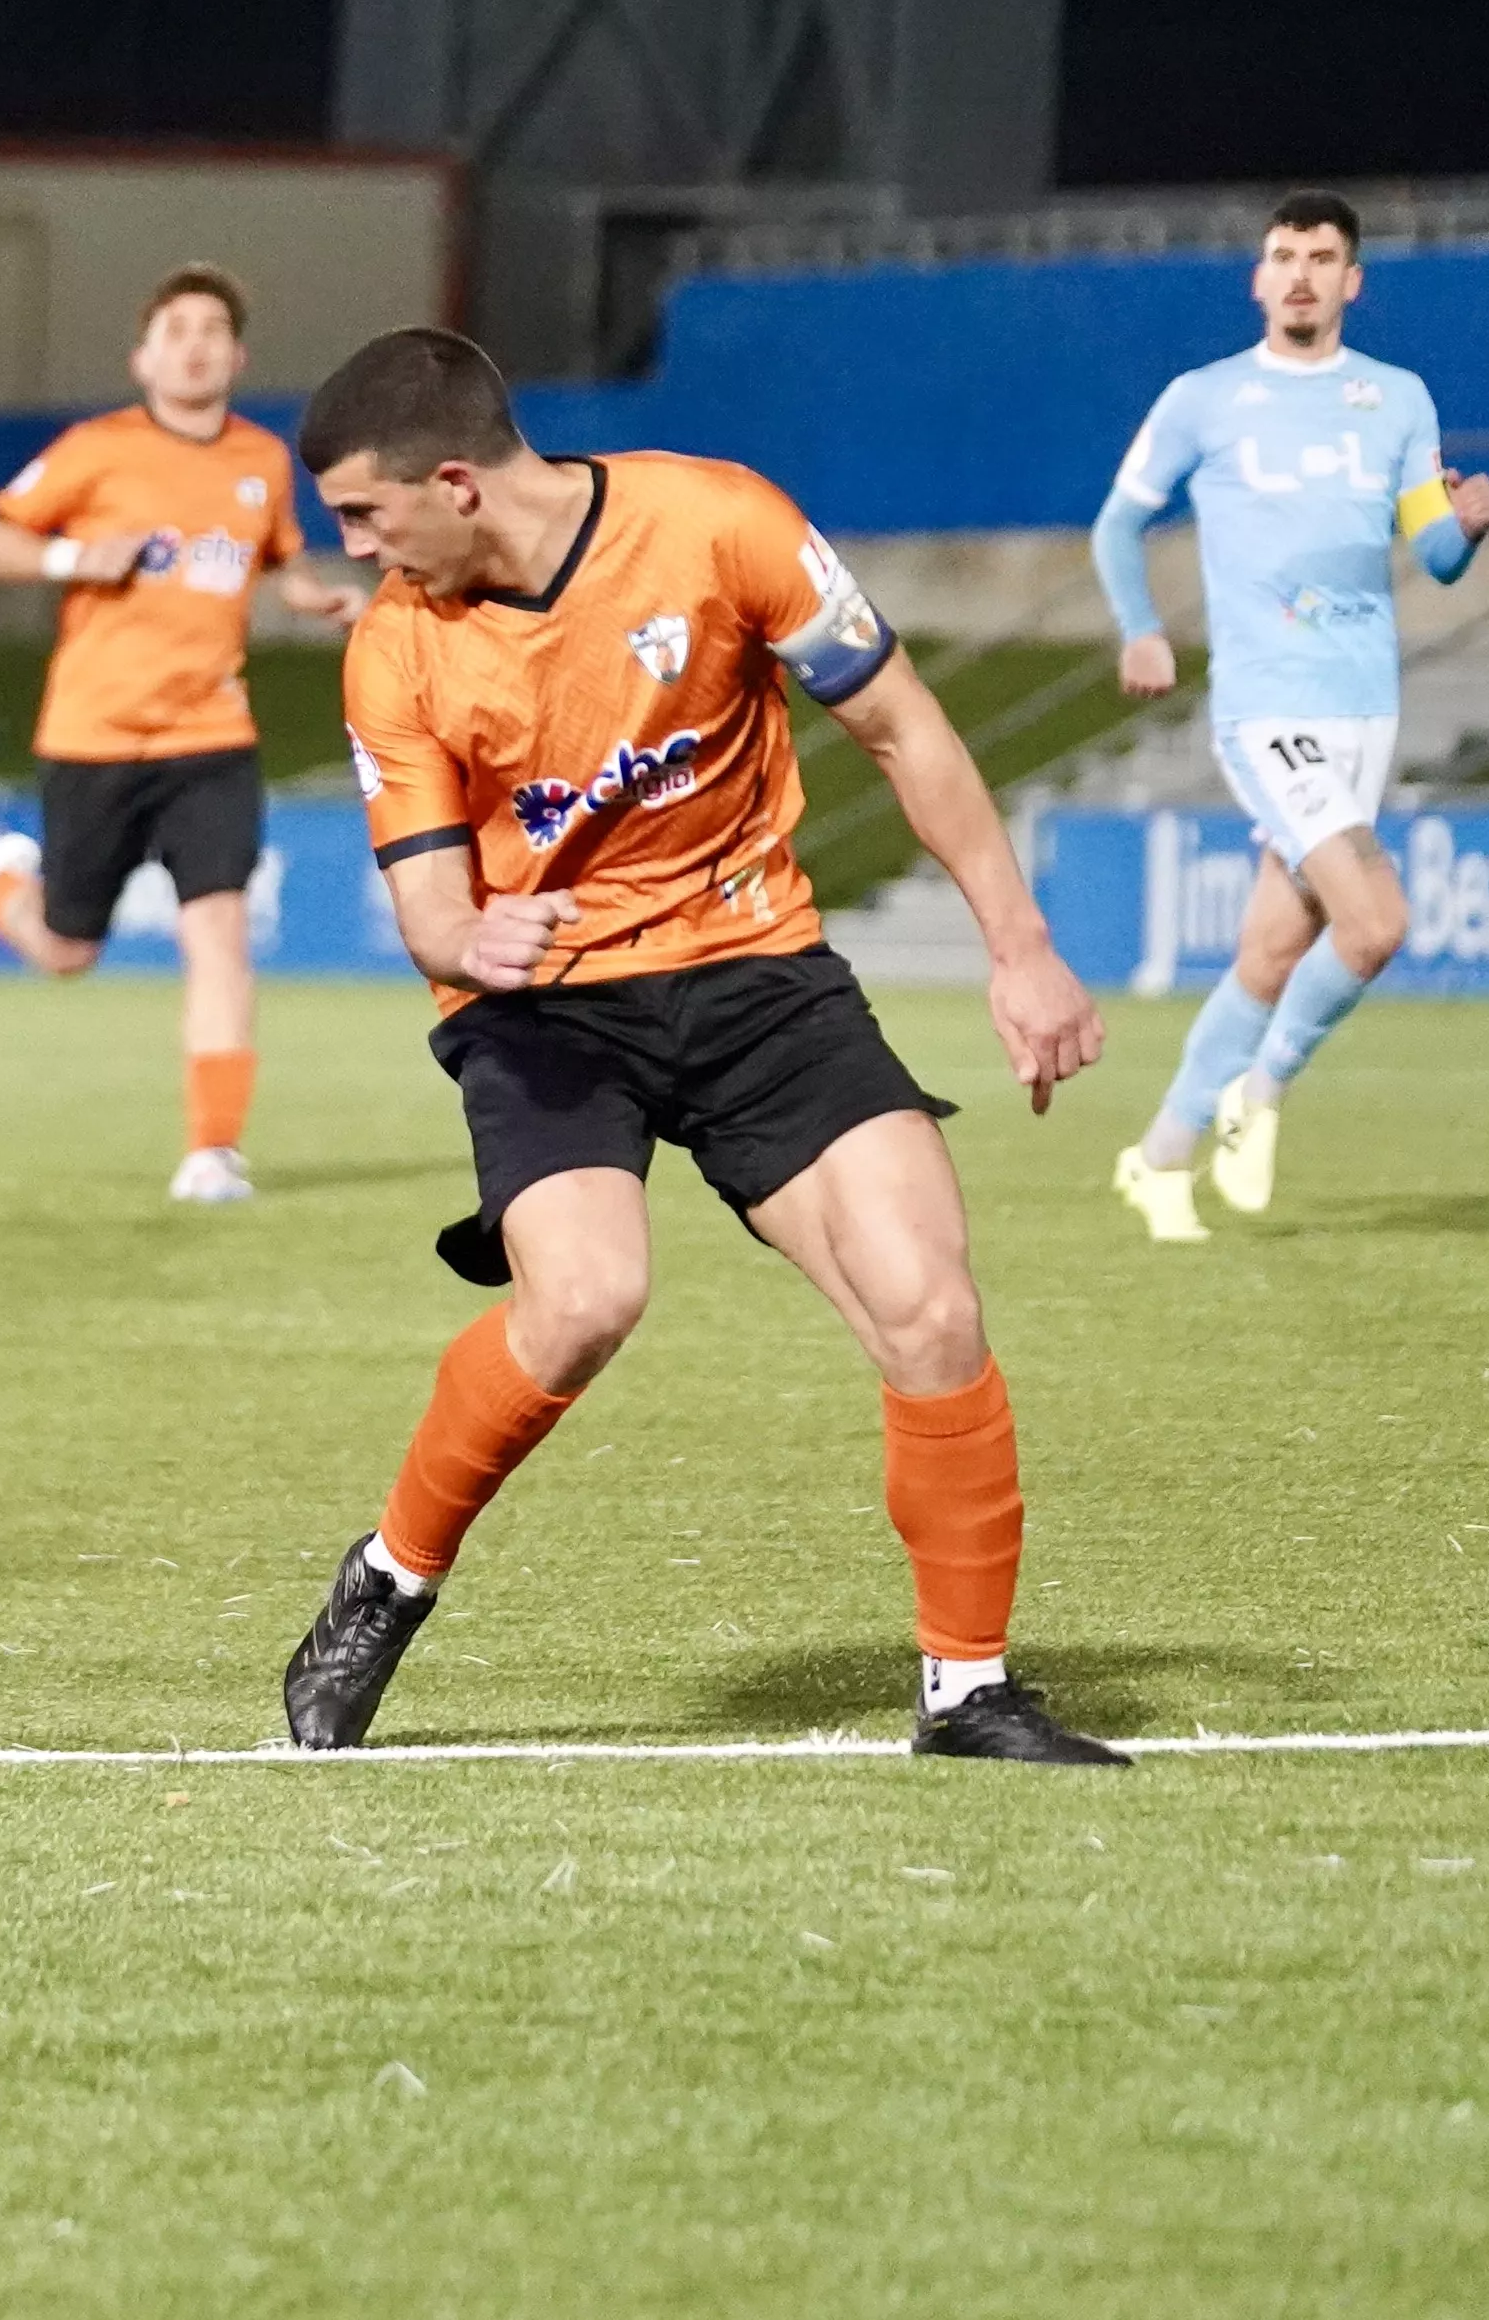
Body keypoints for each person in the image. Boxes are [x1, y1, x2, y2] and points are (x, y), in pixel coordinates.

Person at [274, 329, 1121, 1764]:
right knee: (588, 1296)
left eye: (364, 515)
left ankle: (964, 1692)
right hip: (542, 1005)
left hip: (754, 977)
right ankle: (392, 1575)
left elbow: (904, 728)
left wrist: (1019, 947)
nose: (352, 550)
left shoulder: (723, 523)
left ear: (457, 484)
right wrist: (461, 941)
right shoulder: (394, 648)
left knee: (927, 1304)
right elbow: (426, 895)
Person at [1094, 191, 1489, 1243]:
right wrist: (1140, 625)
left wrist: (1465, 525)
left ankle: (1159, 1158)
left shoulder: (1396, 400)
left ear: (1352, 280)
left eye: (1323, 257)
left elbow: (1435, 558)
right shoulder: (1205, 398)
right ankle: (1258, 1089)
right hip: (1265, 705)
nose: (1302, 274)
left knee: (1272, 952)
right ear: (1257, 277)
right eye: (1284, 256)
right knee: (1377, 923)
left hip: (1364, 704)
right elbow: (1118, 522)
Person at [0, 264, 358, 1201]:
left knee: (220, 934)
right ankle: (0, 886)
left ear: (238, 355)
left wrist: (313, 594)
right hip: (94, 735)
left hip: (211, 737)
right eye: (177, 330)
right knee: (68, 954)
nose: (196, 344)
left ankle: (213, 1151)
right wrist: (78, 554)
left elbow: (279, 557)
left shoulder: (262, 460)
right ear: (144, 355)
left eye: (212, 330)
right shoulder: (97, 448)